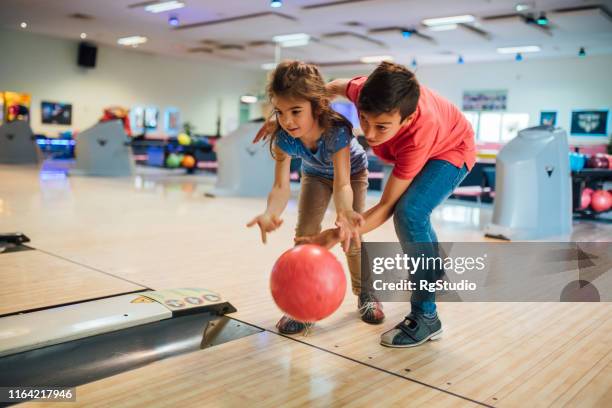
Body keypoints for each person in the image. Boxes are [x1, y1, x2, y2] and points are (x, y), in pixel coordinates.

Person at [295, 61, 476, 347]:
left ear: (406, 119)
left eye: (382, 126)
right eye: (363, 120)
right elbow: (329, 89)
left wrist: (334, 234)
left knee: (410, 213)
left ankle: (427, 317)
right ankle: (433, 267)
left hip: (451, 150)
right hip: (428, 140)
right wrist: (290, 119)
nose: (370, 133)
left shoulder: (419, 133)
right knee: (414, 217)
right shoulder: (361, 90)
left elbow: (386, 206)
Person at [247, 60, 385, 334]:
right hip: (314, 174)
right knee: (305, 237)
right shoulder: (284, 137)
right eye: (280, 112)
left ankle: (365, 293)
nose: (286, 120)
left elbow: (343, 183)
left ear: (316, 105)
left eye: (296, 111)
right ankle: (303, 306)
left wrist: (345, 214)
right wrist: (270, 212)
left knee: (351, 235)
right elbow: (280, 187)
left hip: (352, 174)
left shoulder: (335, 130)